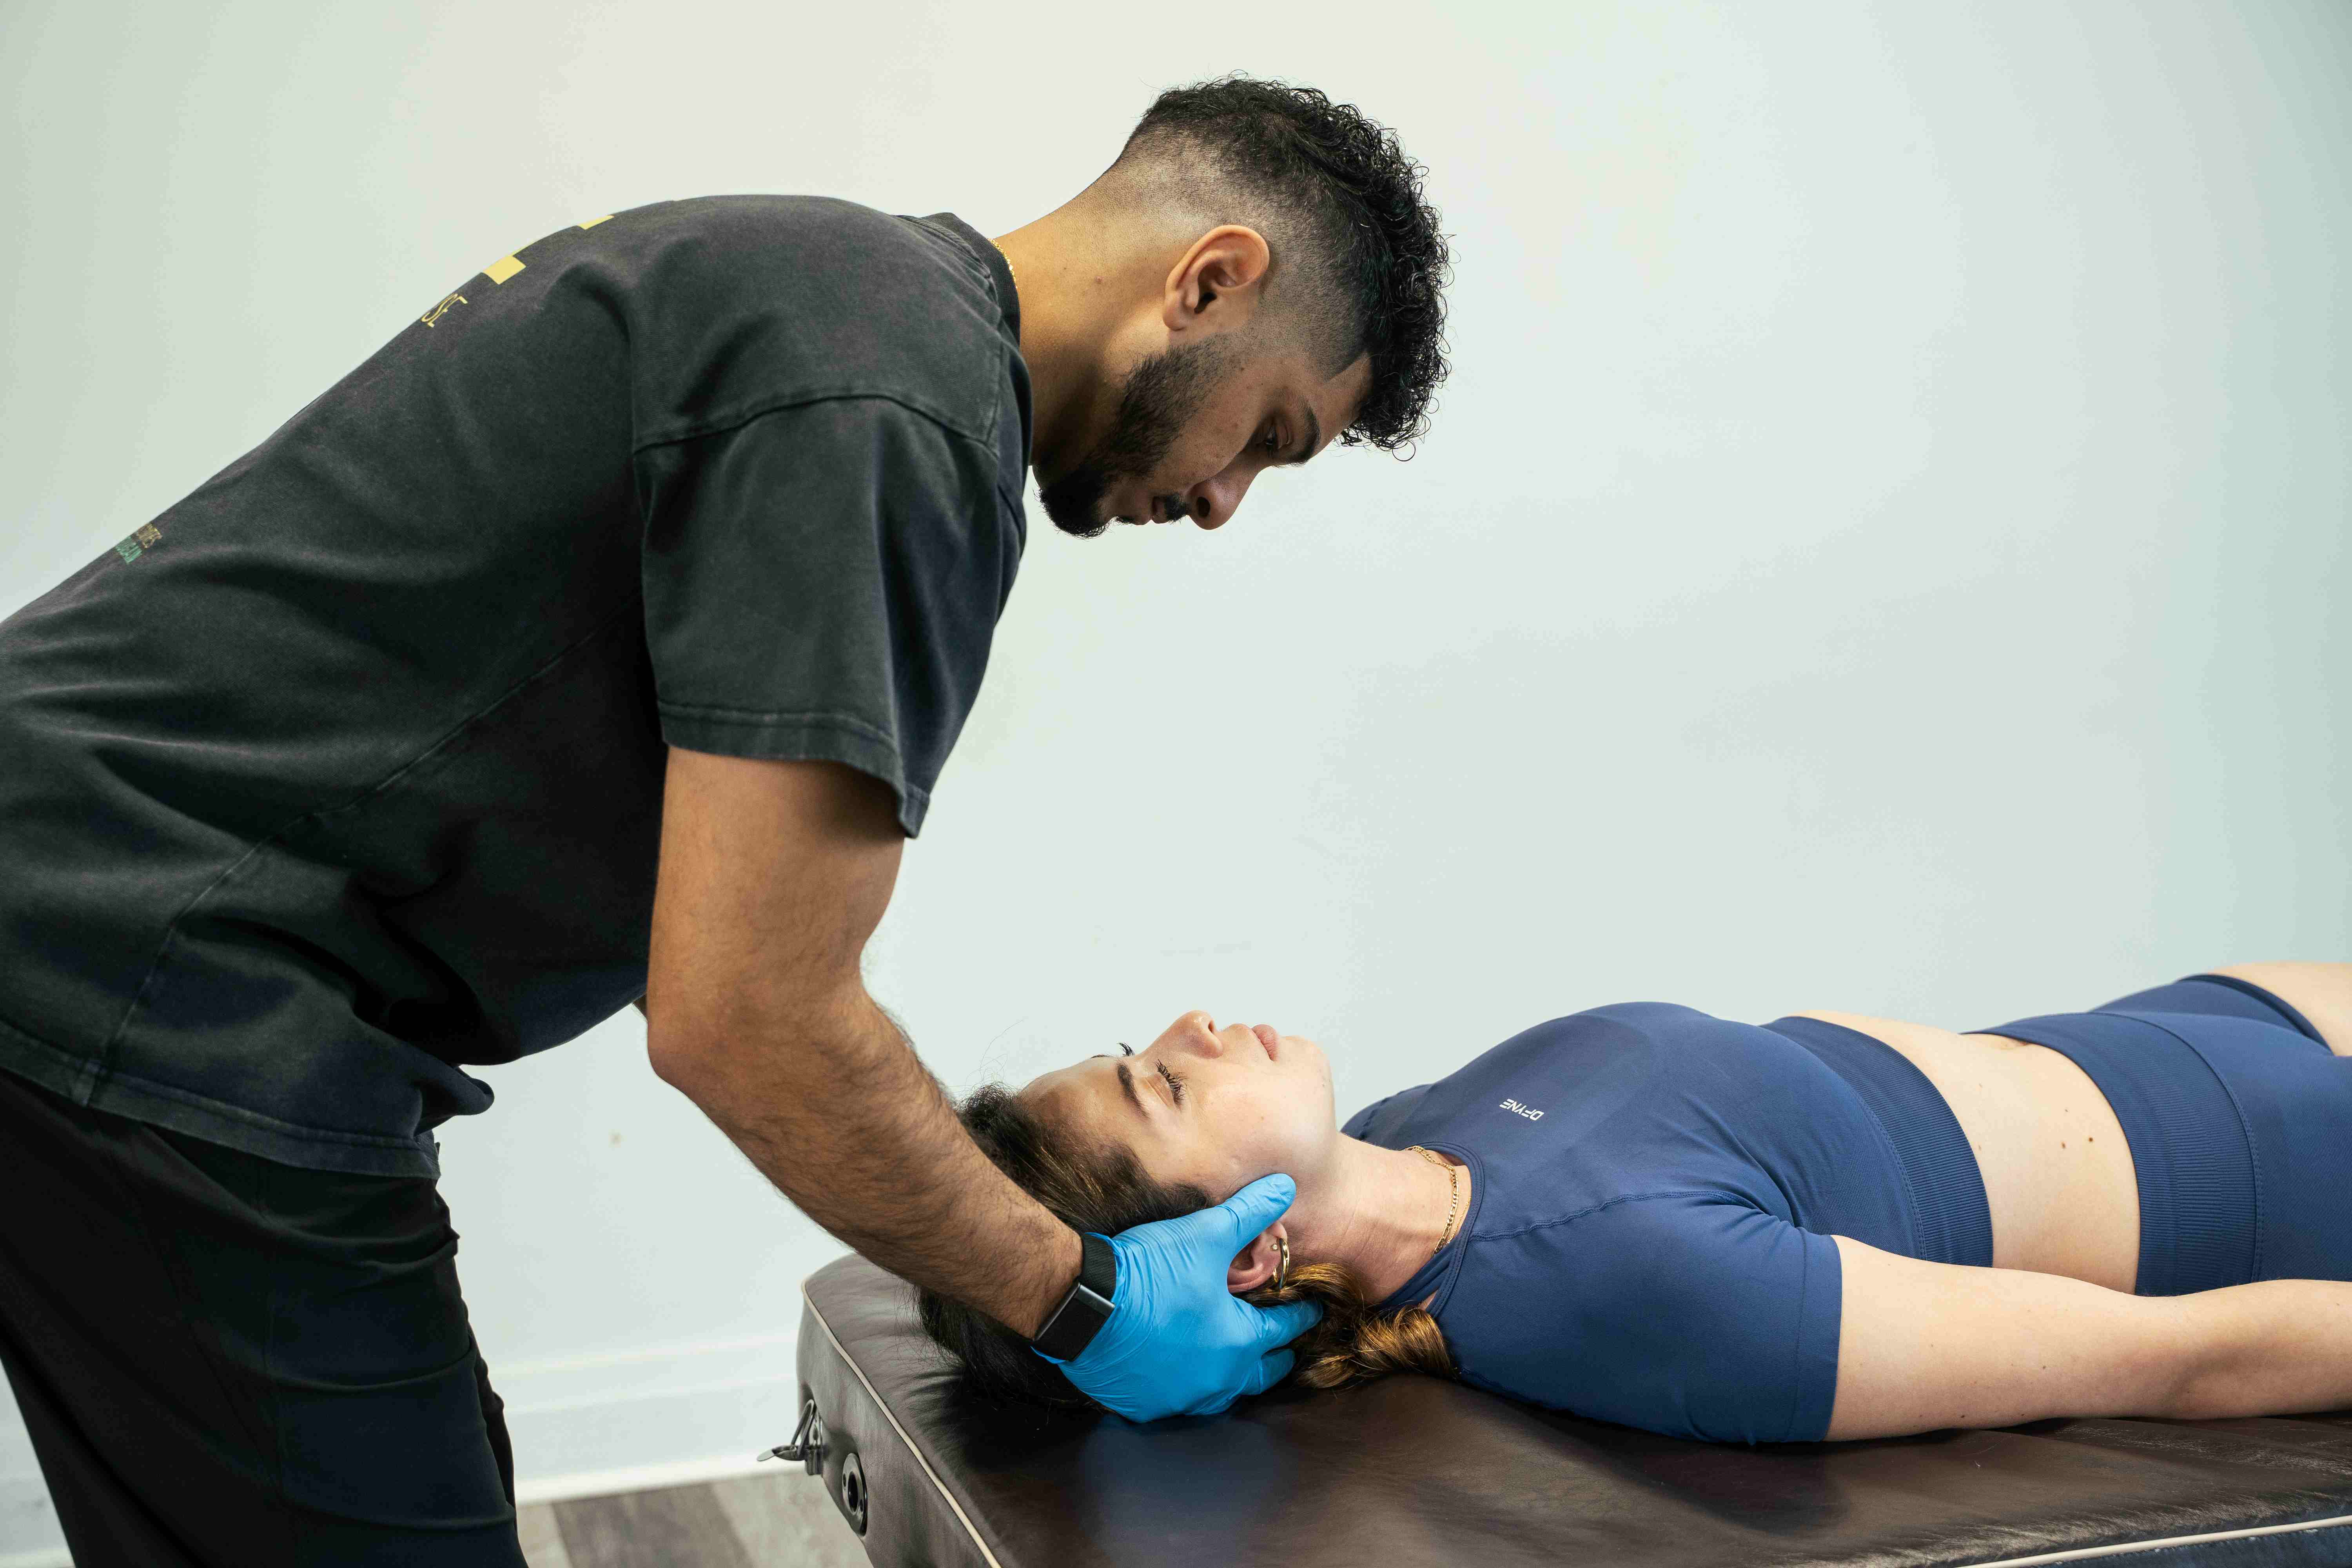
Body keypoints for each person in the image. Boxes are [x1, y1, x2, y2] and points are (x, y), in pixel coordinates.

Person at [0, 77, 1450, 1563]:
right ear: (1210, 281)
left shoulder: (829, 292)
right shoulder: (889, 410)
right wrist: (1082, 1300)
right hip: (159, 973)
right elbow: (748, 1013)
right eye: (1269, 433)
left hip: (101, 922)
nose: (1225, 501)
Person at [920, 964, 2352, 1444]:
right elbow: (2178, 1358)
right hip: (2273, 1167)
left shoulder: (1412, 1138)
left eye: (1140, 1054)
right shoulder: (1608, 1279)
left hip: (2172, 1028)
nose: (1190, 1024)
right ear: (1238, 1256)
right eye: (1161, 1088)